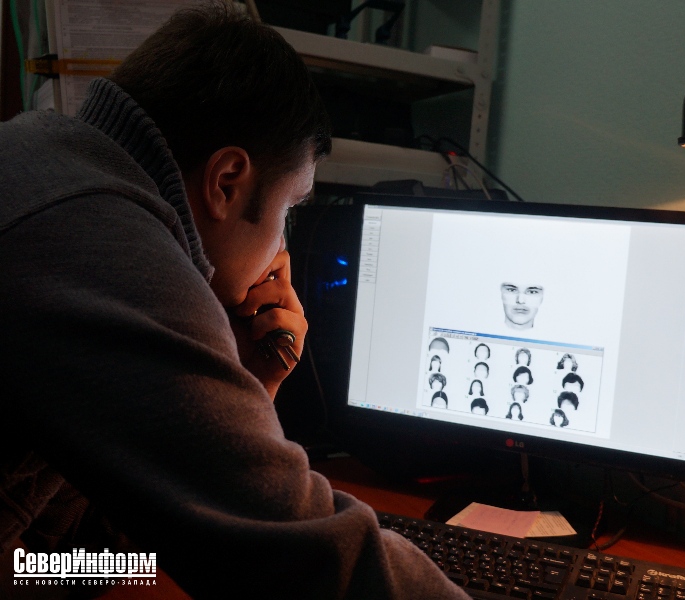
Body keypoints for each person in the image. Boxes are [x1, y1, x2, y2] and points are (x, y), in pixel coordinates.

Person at [0, 4, 469, 599]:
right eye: (289, 210)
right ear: (226, 181)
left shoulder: (44, 160)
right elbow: (302, 558)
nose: (281, 250)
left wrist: (245, 386)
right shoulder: (108, 241)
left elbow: (68, 561)